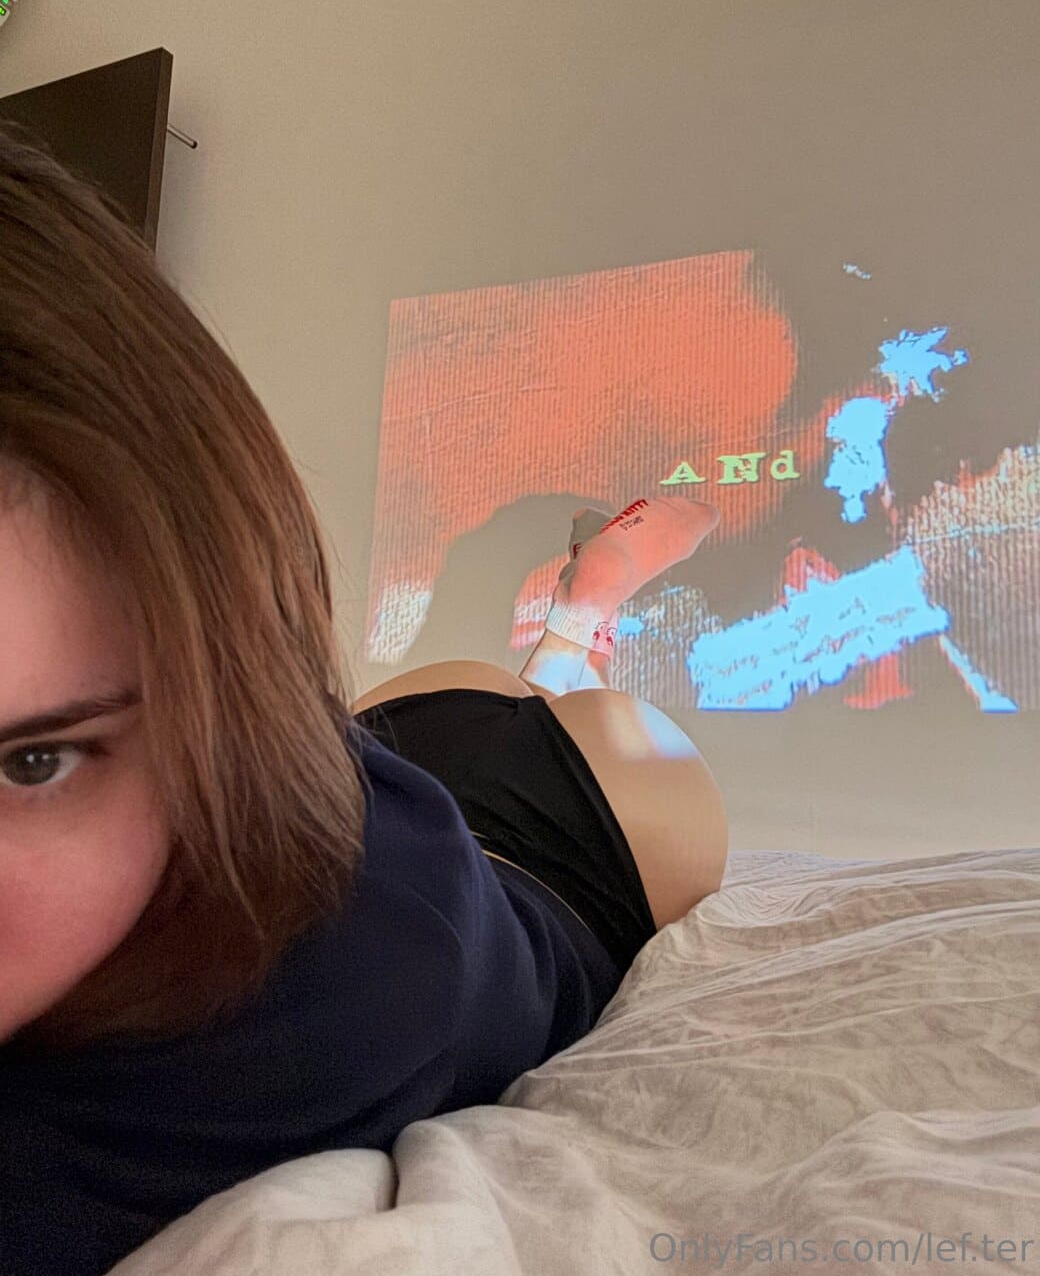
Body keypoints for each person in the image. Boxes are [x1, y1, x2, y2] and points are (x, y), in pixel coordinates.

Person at [0, 123, 728, 1276]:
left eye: (27, 762)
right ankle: (573, 618)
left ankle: (582, 618)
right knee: (505, 684)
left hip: (576, 842)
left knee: (572, 711)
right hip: (385, 748)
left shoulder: (276, 1030)